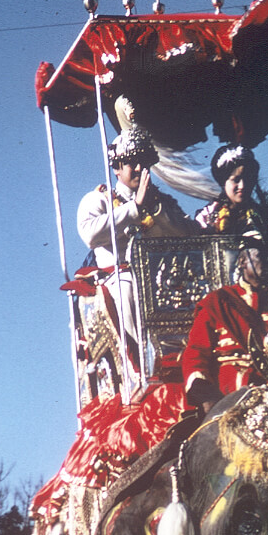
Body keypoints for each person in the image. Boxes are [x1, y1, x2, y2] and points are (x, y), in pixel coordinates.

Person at [77, 115, 198, 381]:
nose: (139, 168)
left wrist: (156, 210)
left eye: (144, 162)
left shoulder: (163, 202)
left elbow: (189, 233)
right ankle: (142, 369)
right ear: (117, 169)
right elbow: (89, 233)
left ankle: (193, 366)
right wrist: (134, 209)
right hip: (119, 275)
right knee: (128, 287)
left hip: (165, 276)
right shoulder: (99, 198)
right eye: (132, 162)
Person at [181, 238, 268, 413]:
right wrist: (205, 394)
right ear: (242, 261)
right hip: (230, 384)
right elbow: (196, 351)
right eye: (261, 256)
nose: (267, 263)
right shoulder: (217, 301)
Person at [195, 144, 260, 233]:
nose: (242, 186)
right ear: (223, 182)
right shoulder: (206, 216)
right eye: (236, 180)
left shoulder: (263, 216)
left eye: (248, 179)